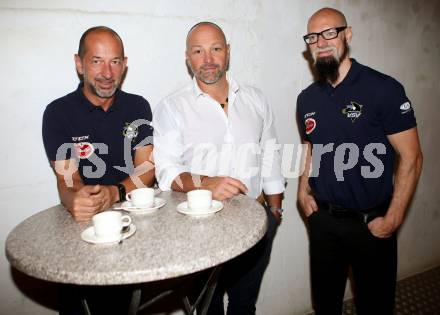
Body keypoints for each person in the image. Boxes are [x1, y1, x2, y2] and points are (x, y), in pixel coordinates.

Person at [297, 8, 423, 315]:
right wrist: (302, 191)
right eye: (313, 37)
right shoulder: (306, 98)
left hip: (371, 224)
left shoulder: (383, 89)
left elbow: (412, 156)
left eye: (330, 32)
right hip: (324, 223)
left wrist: (393, 217)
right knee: (325, 305)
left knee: (375, 306)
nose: (322, 42)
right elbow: (308, 147)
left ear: (347, 34)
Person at [153, 22, 285, 314]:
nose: (208, 59)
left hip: (257, 220)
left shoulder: (256, 99)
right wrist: (205, 183)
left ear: (228, 52)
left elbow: (270, 153)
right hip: (199, 226)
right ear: (188, 58)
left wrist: (274, 210)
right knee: (207, 307)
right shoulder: (172, 107)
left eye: (215, 49)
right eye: (198, 51)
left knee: (244, 304)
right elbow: (165, 172)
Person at [42, 26, 155, 314]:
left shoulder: (139, 106)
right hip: (81, 233)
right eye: (96, 61)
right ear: (79, 64)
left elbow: (146, 169)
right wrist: (75, 200)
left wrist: (114, 193)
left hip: (136, 231)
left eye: (115, 61)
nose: (107, 72)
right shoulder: (58, 112)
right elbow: (67, 179)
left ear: (124, 65)